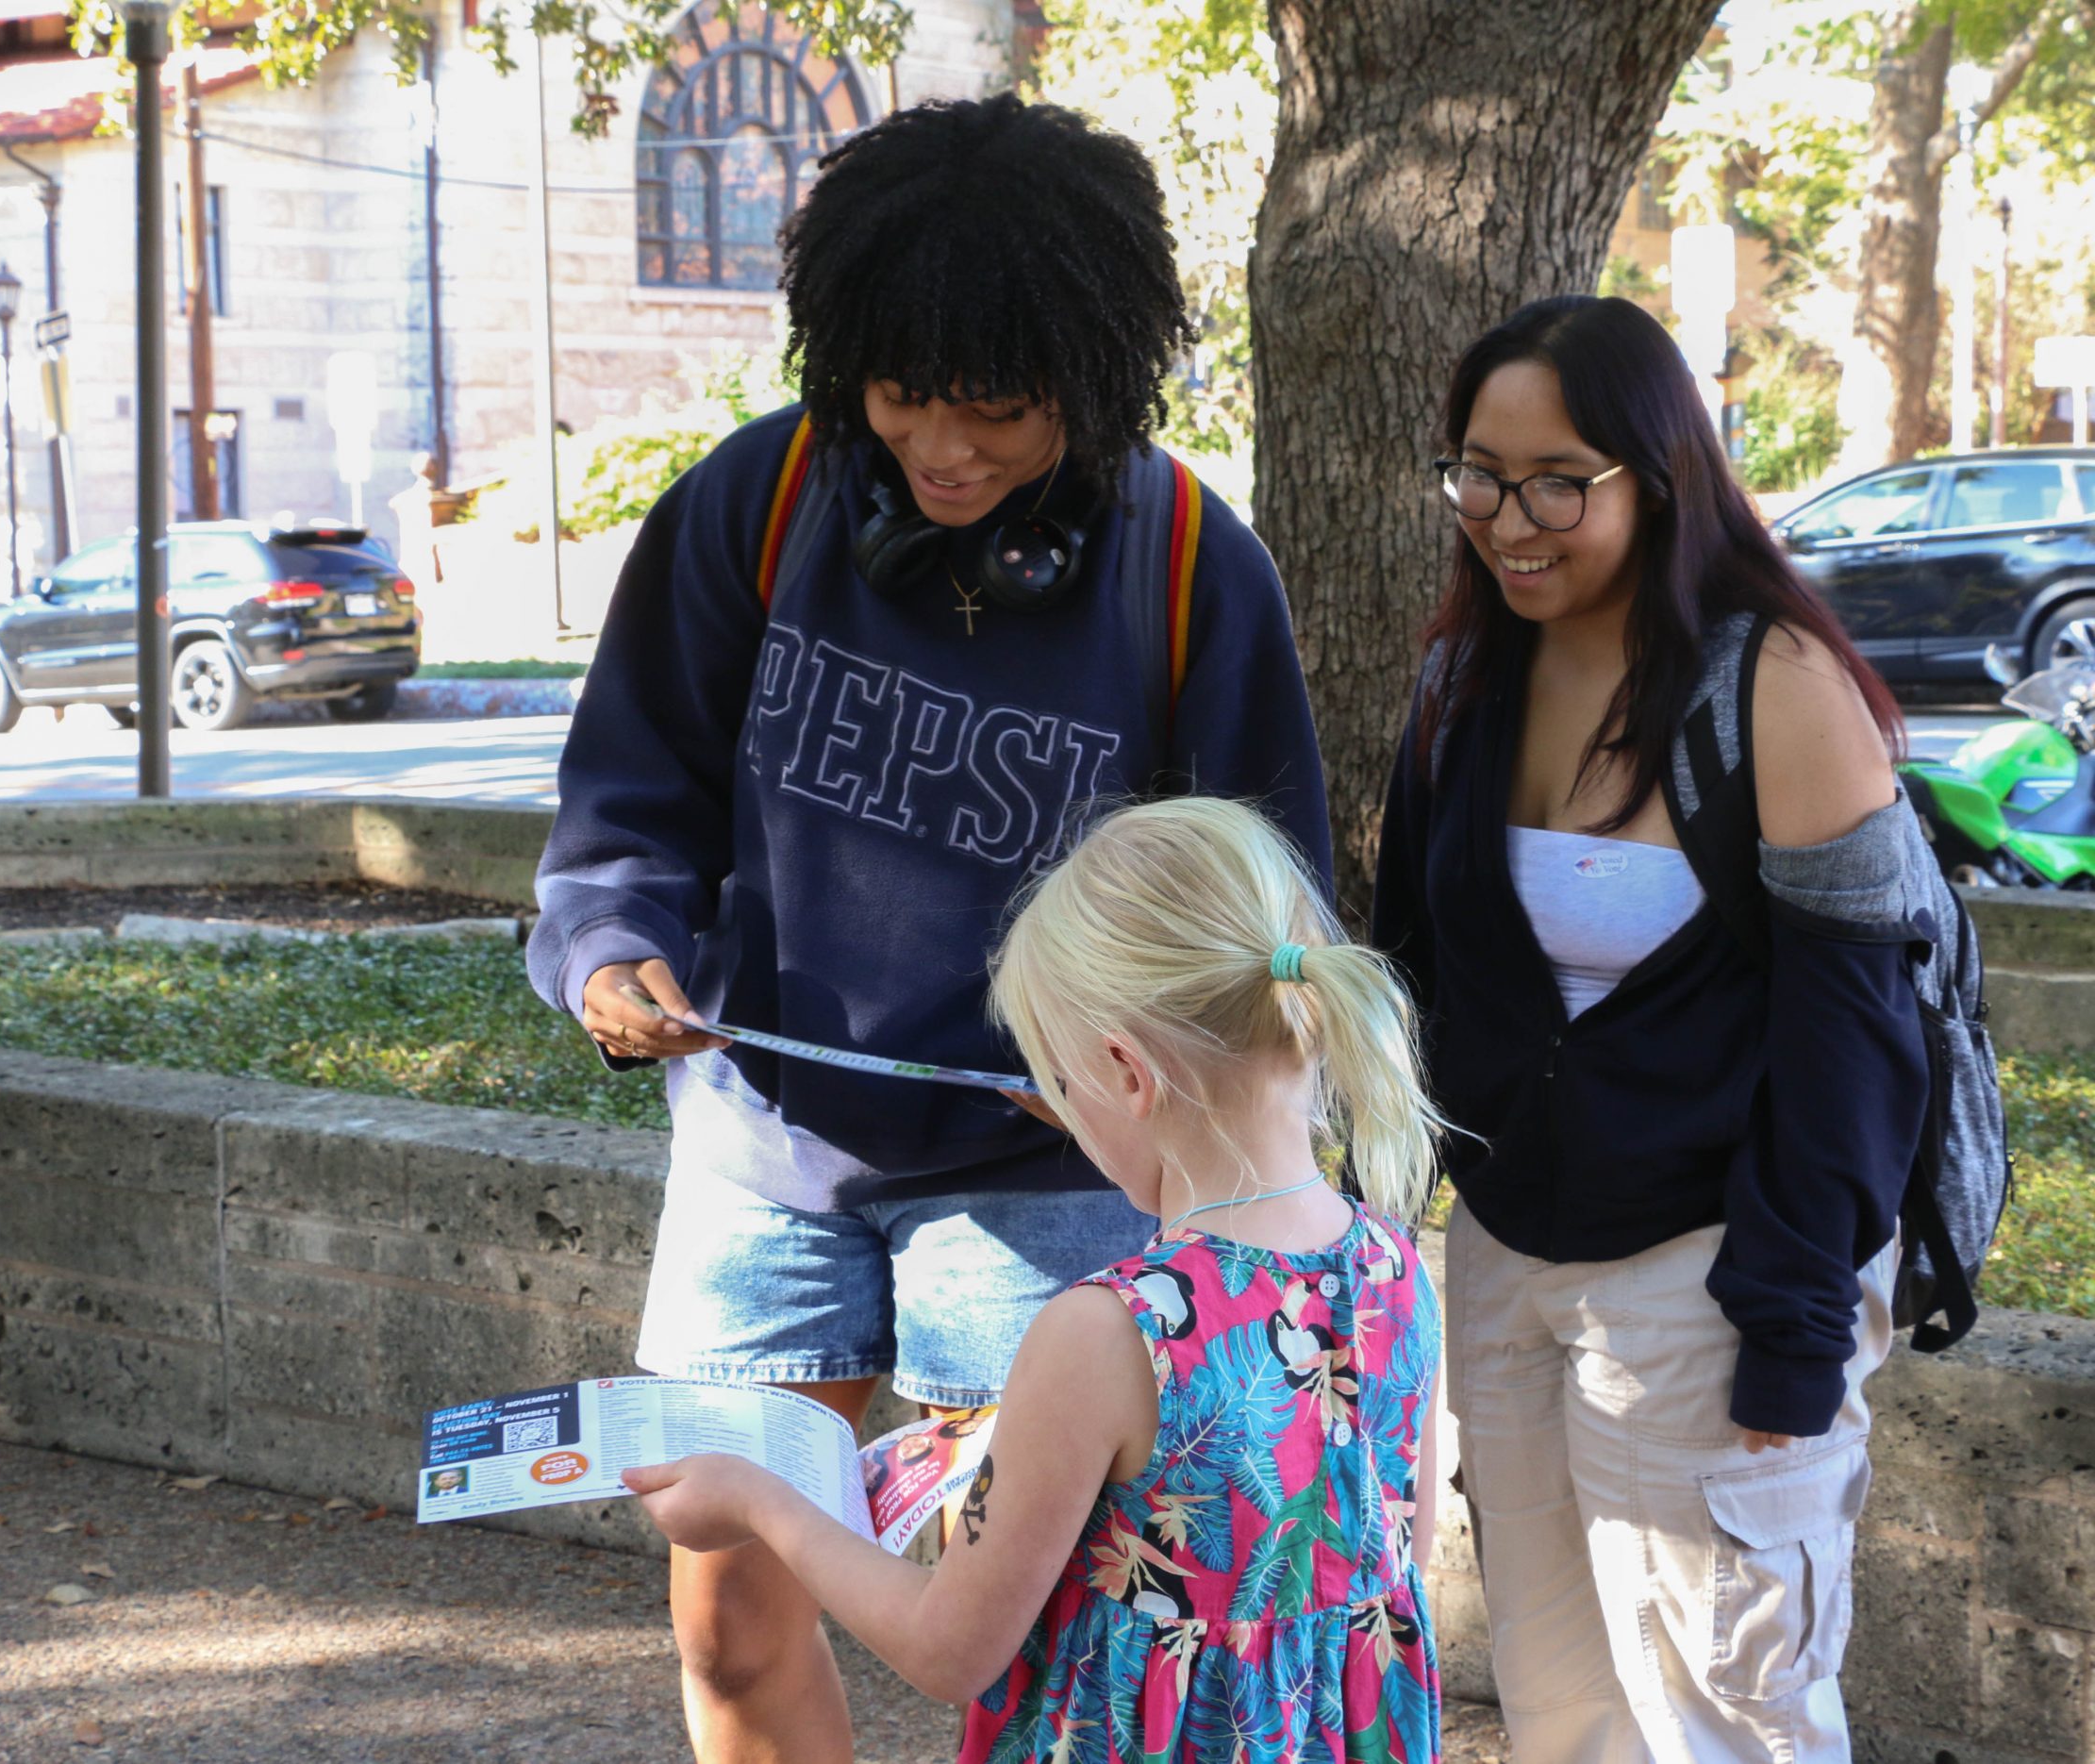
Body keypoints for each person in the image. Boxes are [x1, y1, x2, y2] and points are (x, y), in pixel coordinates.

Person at [524, 94, 1332, 1761]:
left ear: (1091, 384)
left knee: (1034, 1638)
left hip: (1045, 1187)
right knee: (725, 1586)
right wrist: (611, 951)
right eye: (904, 403)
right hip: (765, 1157)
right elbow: (627, 799)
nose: (944, 453)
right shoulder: (751, 507)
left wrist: (1148, 1086)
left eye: (1000, 413)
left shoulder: (1190, 567)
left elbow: (1261, 918)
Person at [1371, 293, 1929, 1761]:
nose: (1510, 516)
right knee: (1559, 1707)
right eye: (1479, 473)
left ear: (1658, 475)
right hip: (1505, 1254)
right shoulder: (1461, 681)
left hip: (1712, 1271)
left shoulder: (1778, 689)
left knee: (1727, 1714)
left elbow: (1855, 1044)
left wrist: (1798, 1331)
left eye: (1562, 478)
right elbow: (1410, 974)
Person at [624, 796, 1445, 1762]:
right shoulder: (1391, 1262)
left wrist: (759, 1499)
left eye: (1056, 1081)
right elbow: (1395, 1562)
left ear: (1126, 1072)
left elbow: (947, 1648)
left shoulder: (1109, 1327)